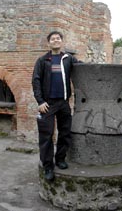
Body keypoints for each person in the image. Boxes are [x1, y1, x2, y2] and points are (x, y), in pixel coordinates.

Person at [32, 31, 80, 181]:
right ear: (49, 43)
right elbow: (36, 80)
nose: (55, 40)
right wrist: (40, 101)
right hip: (47, 104)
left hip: (63, 103)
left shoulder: (68, 59)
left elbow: (82, 68)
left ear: (61, 41)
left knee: (65, 133)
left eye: (58, 38)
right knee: (46, 135)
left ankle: (60, 159)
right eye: (52, 39)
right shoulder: (43, 60)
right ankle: (48, 166)